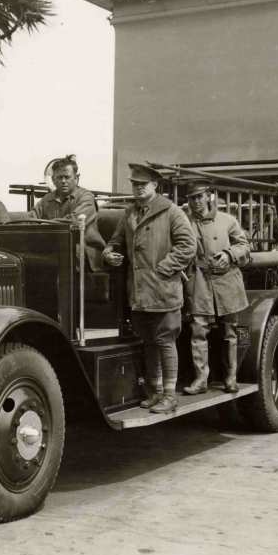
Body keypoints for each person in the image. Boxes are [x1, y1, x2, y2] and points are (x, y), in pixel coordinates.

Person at [103, 164, 196, 414]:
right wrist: (110, 253)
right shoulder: (129, 213)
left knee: (165, 341)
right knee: (148, 342)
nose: (138, 187)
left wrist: (163, 269)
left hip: (164, 290)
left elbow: (188, 246)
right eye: (134, 183)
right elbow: (115, 241)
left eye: (143, 183)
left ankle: (169, 395)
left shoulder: (172, 212)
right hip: (139, 294)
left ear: (156, 185)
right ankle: (155, 392)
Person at [183, 180, 250, 394]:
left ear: (209, 196)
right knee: (198, 329)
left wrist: (229, 254)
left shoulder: (227, 220)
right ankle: (201, 379)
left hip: (226, 280)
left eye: (200, 197)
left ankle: (231, 377)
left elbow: (244, 245)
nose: (196, 202)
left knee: (230, 331)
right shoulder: (184, 222)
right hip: (199, 280)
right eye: (192, 198)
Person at [28, 155, 105, 267]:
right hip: (55, 246)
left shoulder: (86, 197)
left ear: (76, 178)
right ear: (53, 179)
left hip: (86, 250)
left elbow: (75, 222)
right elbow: (31, 219)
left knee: (64, 252)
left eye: (67, 177)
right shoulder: (46, 199)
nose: (63, 181)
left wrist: (44, 226)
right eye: (59, 178)